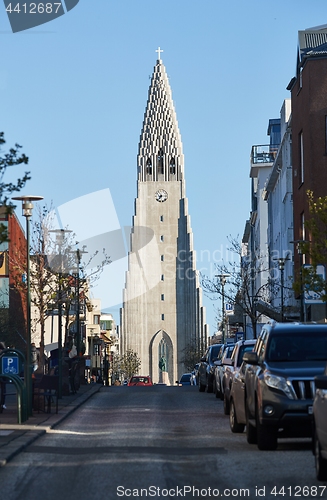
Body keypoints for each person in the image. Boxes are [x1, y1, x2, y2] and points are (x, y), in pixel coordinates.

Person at [0, 342, 7, 410]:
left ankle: (2, 403)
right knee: (3, 389)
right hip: (3, 373)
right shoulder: (5, 355)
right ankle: (2, 403)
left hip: (3, 374)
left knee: (3, 389)